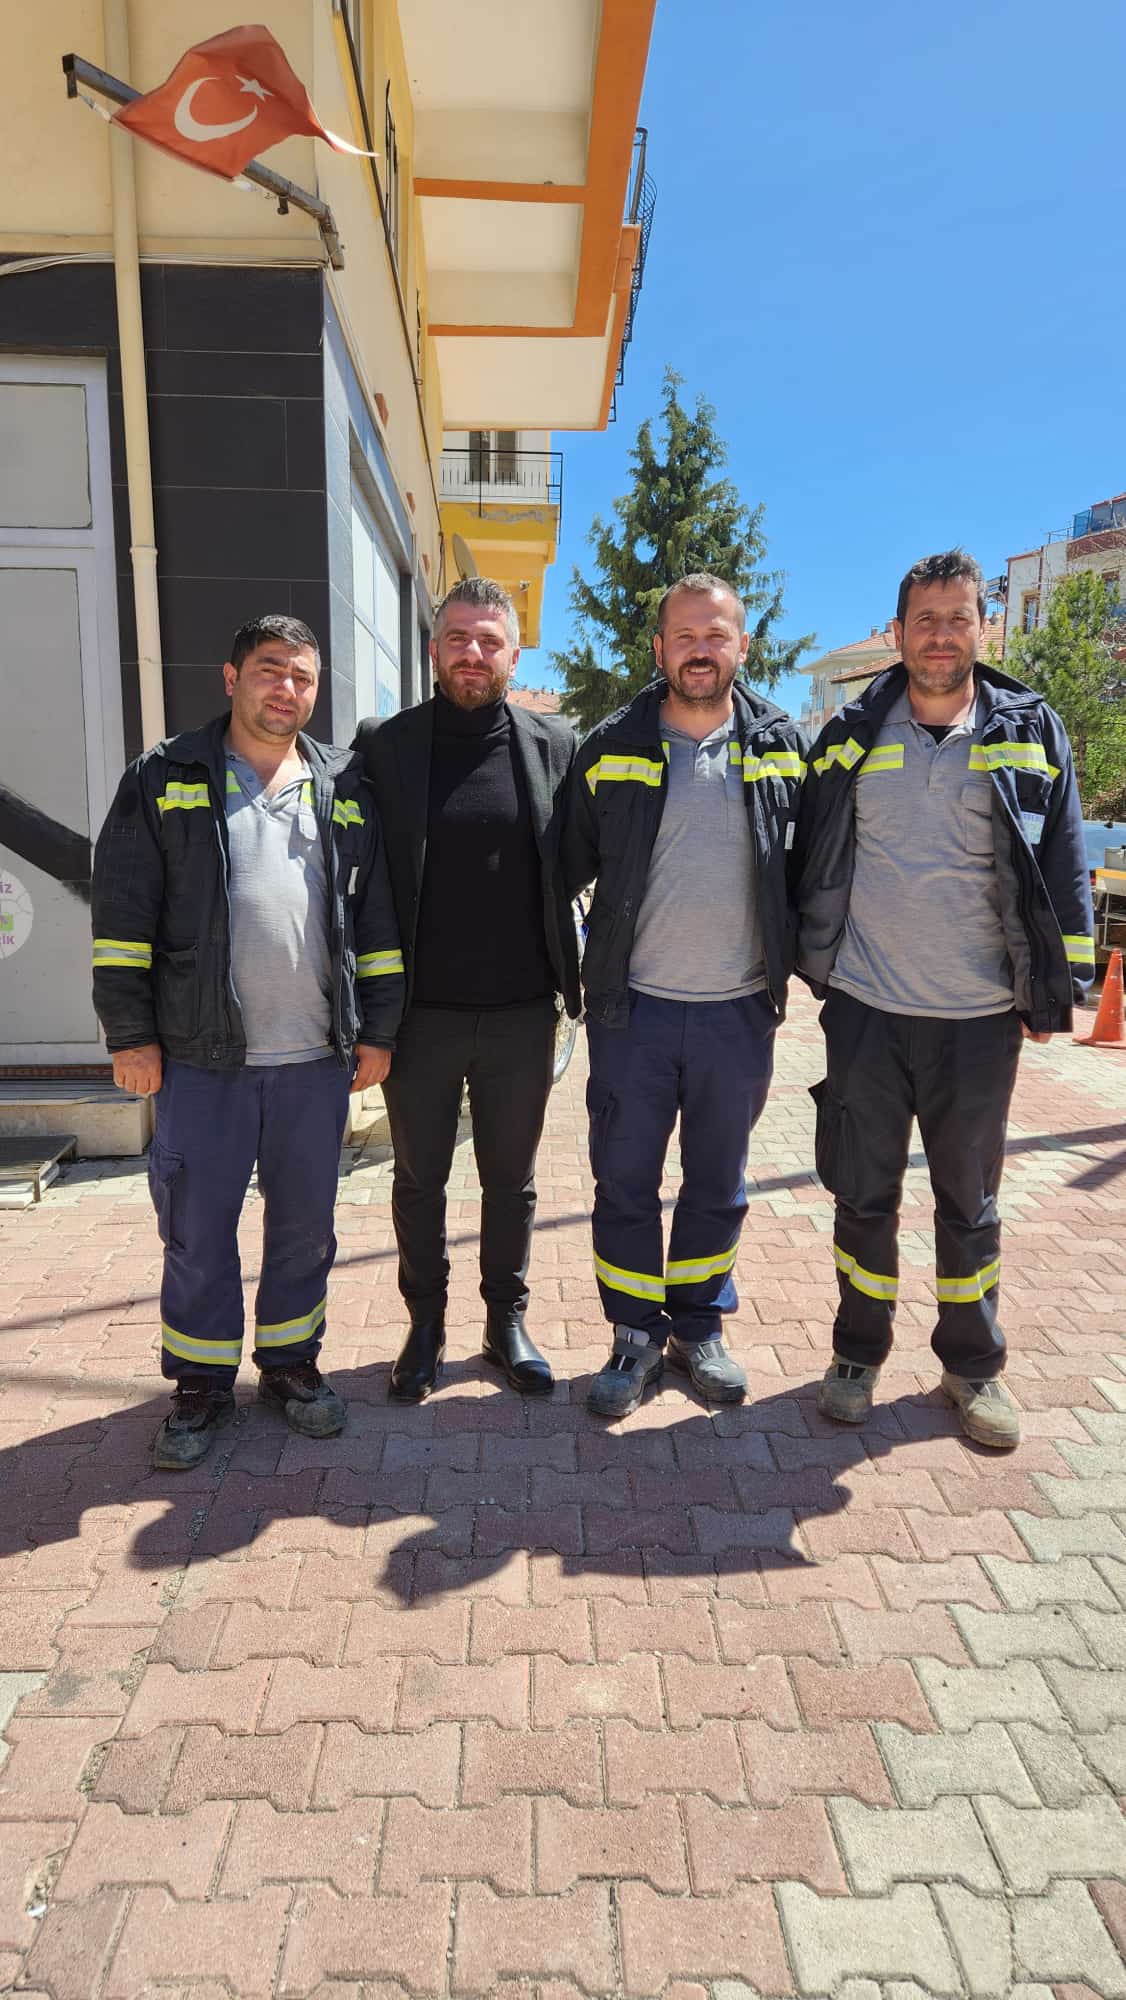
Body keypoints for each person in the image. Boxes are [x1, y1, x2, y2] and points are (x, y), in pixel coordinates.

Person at [794, 549, 1095, 1448]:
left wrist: (1060, 991)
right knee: (862, 1196)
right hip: (866, 1010)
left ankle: (972, 1366)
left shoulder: (1030, 728)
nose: (940, 636)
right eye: (924, 620)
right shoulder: (850, 731)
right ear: (898, 632)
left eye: (957, 618)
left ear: (981, 629)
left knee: (969, 1205)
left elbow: (1063, 861)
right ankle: (857, 1353)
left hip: (979, 1019)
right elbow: (806, 852)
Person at [91, 614, 404, 1469]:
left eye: (302, 677)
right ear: (232, 679)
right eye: (270, 670)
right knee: (197, 1230)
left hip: (313, 1060)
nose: (287, 689)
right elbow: (122, 916)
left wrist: (378, 1029)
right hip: (202, 1059)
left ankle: (292, 1365)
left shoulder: (343, 783)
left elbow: (373, 921)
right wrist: (130, 1034)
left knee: (305, 1228)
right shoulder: (167, 777)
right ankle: (200, 1385)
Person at [563, 572, 808, 1419]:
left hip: (738, 1013)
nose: (701, 650)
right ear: (659, 646)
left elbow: (816, 868)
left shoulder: (784, 747)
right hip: (632, 1012)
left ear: (744, 645)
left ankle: (698, 1328)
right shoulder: (610, 746)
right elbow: (562, 867)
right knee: (625, 1181)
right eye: (685, 635)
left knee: (717, 1183)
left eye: (717, 634)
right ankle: (634, 1333)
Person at [353, 577, 580, 1401]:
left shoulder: (555, 746)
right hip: (421, 1019)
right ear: (433, 649)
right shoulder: (387, 746)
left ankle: (504, 1322)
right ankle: (425, 1326)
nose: (473, 653)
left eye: (490, 641)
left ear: (514, 656)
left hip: (522, 1014)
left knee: (510, 1183)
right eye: (458, 638)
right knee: (419, 1182)